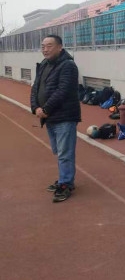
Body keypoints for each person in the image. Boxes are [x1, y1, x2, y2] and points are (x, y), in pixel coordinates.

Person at [30, 35, 81, 203]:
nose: (45, 49)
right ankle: (64, 179)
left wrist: (45, 109)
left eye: (49, 46)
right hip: (49, 117)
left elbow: (63, 91)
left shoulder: (68, 66)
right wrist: (35, 107)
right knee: (59, 151)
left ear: (60, 47)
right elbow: (35, 87)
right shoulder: (44, 64)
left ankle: (65, 184)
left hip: (64, 116)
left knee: (65, 153)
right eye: (43, 46)